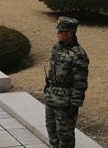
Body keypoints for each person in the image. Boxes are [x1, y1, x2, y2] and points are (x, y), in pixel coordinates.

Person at [44, 16, 89, 148]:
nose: (57, 33)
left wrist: (74, 105)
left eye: (60, 31)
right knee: (52, 132)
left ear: (69, 33)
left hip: (65, 103)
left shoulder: (78, 55)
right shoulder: (57, 48)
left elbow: (80, 83)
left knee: (65, 137)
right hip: (51, 97)